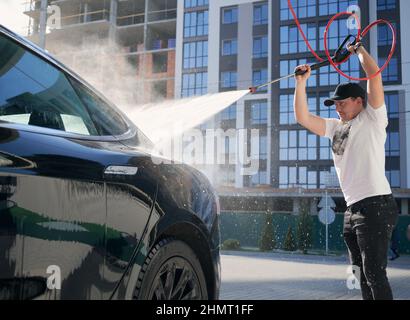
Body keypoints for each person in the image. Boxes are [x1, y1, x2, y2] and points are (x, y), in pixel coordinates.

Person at [293, 41, 399, 300]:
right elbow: (303, 118)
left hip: (375, 206)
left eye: (341, 103)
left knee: (374, 274)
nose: (337, 107)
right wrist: (301, 82)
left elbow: (374, 76)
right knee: (358, 275)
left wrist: (360, 51)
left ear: (358, 101)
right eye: (335, 104)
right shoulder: (334, 127)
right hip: (352, 210)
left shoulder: (373, 118)